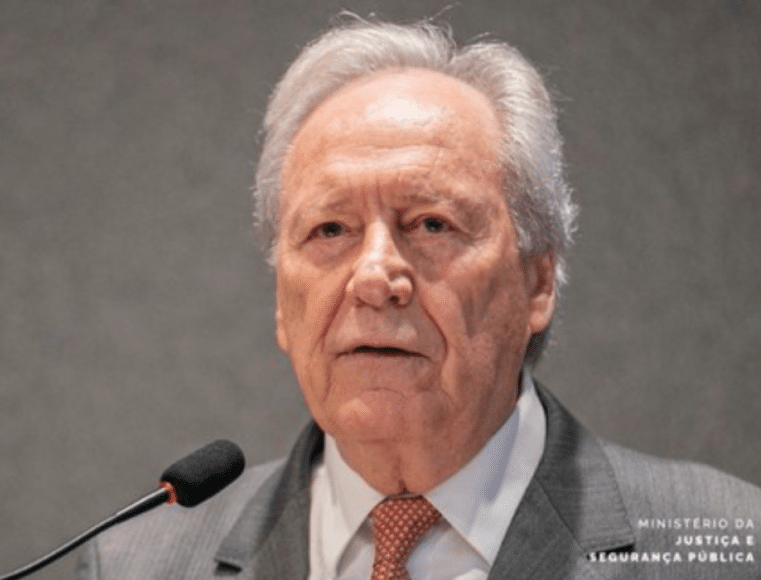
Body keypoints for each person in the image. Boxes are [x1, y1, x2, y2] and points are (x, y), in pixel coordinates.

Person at [77, 17, 761, 580]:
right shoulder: (135, 567)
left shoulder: (732, 550)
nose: (374, 276)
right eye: (330, 230)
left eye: (432, 224)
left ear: (538, 281)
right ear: (282, 303)